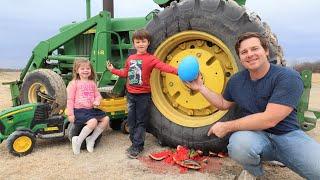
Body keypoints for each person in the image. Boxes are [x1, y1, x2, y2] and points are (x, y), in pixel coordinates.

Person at [186, 32, 320, 179]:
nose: (250, 54)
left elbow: (270, 119)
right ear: (240, 58)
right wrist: (201, 88)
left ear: (266, 51)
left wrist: (226, 126)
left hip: (288, 135)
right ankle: (255, 173)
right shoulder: (236, 81)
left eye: (255, 49)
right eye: (244, 52)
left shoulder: (287, 77)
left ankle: (284, 156)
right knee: (239, 145)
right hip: (256, 135)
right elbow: (223, 104)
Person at [106, 29, 178, 159]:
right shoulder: (130, 58)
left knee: (141, 121)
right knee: (131, 121)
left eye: (143, 41)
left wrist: (178, 71)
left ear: (148, 43)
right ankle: (134, 143)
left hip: (143, 96)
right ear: (134, 44)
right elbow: (125, 73)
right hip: (131, 95)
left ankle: (138, 146)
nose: (140, 44)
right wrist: (113, 70)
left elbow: (163, 67)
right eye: (137, 41)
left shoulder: (151, 59)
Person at [67, 58, 110, 155]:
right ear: (77, 71)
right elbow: (70, 100)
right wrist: (70, 114)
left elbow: (98, 95)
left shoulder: (92, 83)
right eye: (82, 69)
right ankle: (78, 141)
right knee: (93, 121)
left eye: (88, 68)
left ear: (91, 70)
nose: (86, 70)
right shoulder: (74, 83)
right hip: (79, 110)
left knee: (106, 119)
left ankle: (91, 139)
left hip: (91, 109)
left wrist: (97, 100)